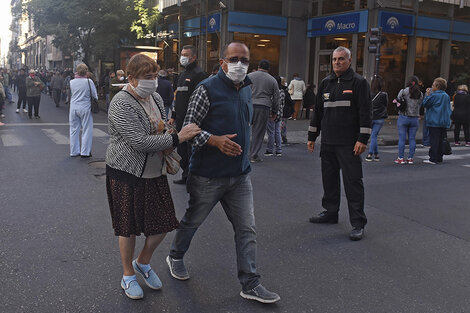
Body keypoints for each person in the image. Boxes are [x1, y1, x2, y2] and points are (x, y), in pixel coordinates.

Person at [166, 42, 280, 304]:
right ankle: (175, 255)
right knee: (193, 221)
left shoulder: (248, 87)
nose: (239, 64)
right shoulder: (206, 89)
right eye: (234, 59)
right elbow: (188, 129)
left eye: (244, 59)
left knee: (247, 229)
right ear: (222, 63)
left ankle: (250, 282)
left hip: (240, 175)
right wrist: (214, 140)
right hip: (208, 174)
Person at [106, 53, 201, 300]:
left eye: (154, 76)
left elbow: (161, 127)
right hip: (127, 172)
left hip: (154, 171)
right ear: (131, 78)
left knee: (162, 224)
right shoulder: (121, 103)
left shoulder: (156, 98)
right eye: (147, 77)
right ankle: (128, 274)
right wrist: (178, 138)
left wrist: (170, 133)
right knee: (127, 228)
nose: (152, 81)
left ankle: (143, 263)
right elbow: (138, 141)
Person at [307, 46, 371, 241]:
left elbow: (366, 113)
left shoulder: (359, 83)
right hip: (328, 142)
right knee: (329, 180)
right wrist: (312, 136)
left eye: (341, 59)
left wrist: (362, 139)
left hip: (349, 144)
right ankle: (331, 212)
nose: (337, 62)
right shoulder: (326, 83)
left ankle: (358, 223)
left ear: (349, 61)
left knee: (353, 183)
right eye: (334, 59)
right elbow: (318, 112)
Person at [169, 45, 208, 184]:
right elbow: (176, 96)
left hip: (192, 119)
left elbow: (203, 98)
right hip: (180, 118)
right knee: (182, 149)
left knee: (192, 149)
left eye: (186, 54)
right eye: (182, 54)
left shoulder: (199, 74)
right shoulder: (182, 75)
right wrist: (173, 115)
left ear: (194, 57)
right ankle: (186, 175)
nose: (183, 57)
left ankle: (193, 177)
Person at [248, 59, 280, 162]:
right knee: (258, 132)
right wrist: (274, 111)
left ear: (258, 66)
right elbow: (276, 98)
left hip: (249, 105)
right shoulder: (272, 80)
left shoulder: (249, 76)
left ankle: (241, 154)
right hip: (263, 107)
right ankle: (253, 155)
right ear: (269, 69)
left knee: (244, 129)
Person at [69, 64, 98, 158]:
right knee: (87, 130)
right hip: (85, 108)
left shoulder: (71, 82)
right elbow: (95, 95)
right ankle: (85, 152)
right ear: (86, 71)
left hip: (73, 107)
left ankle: (74, 151)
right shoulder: (89, 82)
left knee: (74, 130)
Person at [422, 77, 452, 164]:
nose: (432, 87)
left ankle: (433, 158)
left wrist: (427, 95)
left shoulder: (434, 95)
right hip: (444, 121)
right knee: (441, 139)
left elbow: (425, 104)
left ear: (437, 86)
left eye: (433, 85)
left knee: (434, 140)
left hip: (434, 120)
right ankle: (439, 157)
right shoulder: (446, 96)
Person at [393, 76, 423, 165]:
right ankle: (410, 158)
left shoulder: (403, 91)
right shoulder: (420, 94)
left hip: (403, 116)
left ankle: (400, 158)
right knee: (412, 139)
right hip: (414, 118)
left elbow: (397, 100)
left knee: (402, 139)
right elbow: (420, 104)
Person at [365, 76, 388, 162]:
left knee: (373, 136)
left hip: (370, 117)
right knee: (374, 136)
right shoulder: (384, 95)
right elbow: (386, 105)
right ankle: (376, 154)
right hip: (380, 118)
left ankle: (370, 154)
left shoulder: (368, 94)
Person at [265, 76, 285, 156]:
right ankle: (279, 150)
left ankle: (269, 150)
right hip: (280, 113)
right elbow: (283, 104)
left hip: (272, 113)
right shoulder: (282, 91)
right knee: (277, 132)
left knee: (271, 132)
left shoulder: (272, 91)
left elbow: (271, 103)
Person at [280, 76, 294, 144]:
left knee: (280, 124)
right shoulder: (285, 92)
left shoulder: (278, 90)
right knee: (283, 124)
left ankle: (280, 137)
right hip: (284, 111)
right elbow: (289, 101)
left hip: (280, 110)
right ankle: (283, 137)